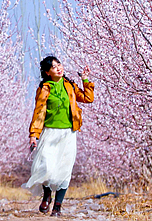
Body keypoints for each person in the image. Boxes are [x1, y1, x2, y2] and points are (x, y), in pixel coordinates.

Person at [24, 56, 94, 217]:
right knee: (46, 166)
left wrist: (85, 80)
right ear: (48, 72)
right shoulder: (44, 89)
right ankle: (47, 193)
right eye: (54, 67)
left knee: (64, 169)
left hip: (68, 133)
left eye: (59, 65)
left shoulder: (69, 85)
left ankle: (57, 206)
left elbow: (88, 98)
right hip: (49, 132)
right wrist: (34, 135)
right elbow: (39, 113)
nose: (58, 68)